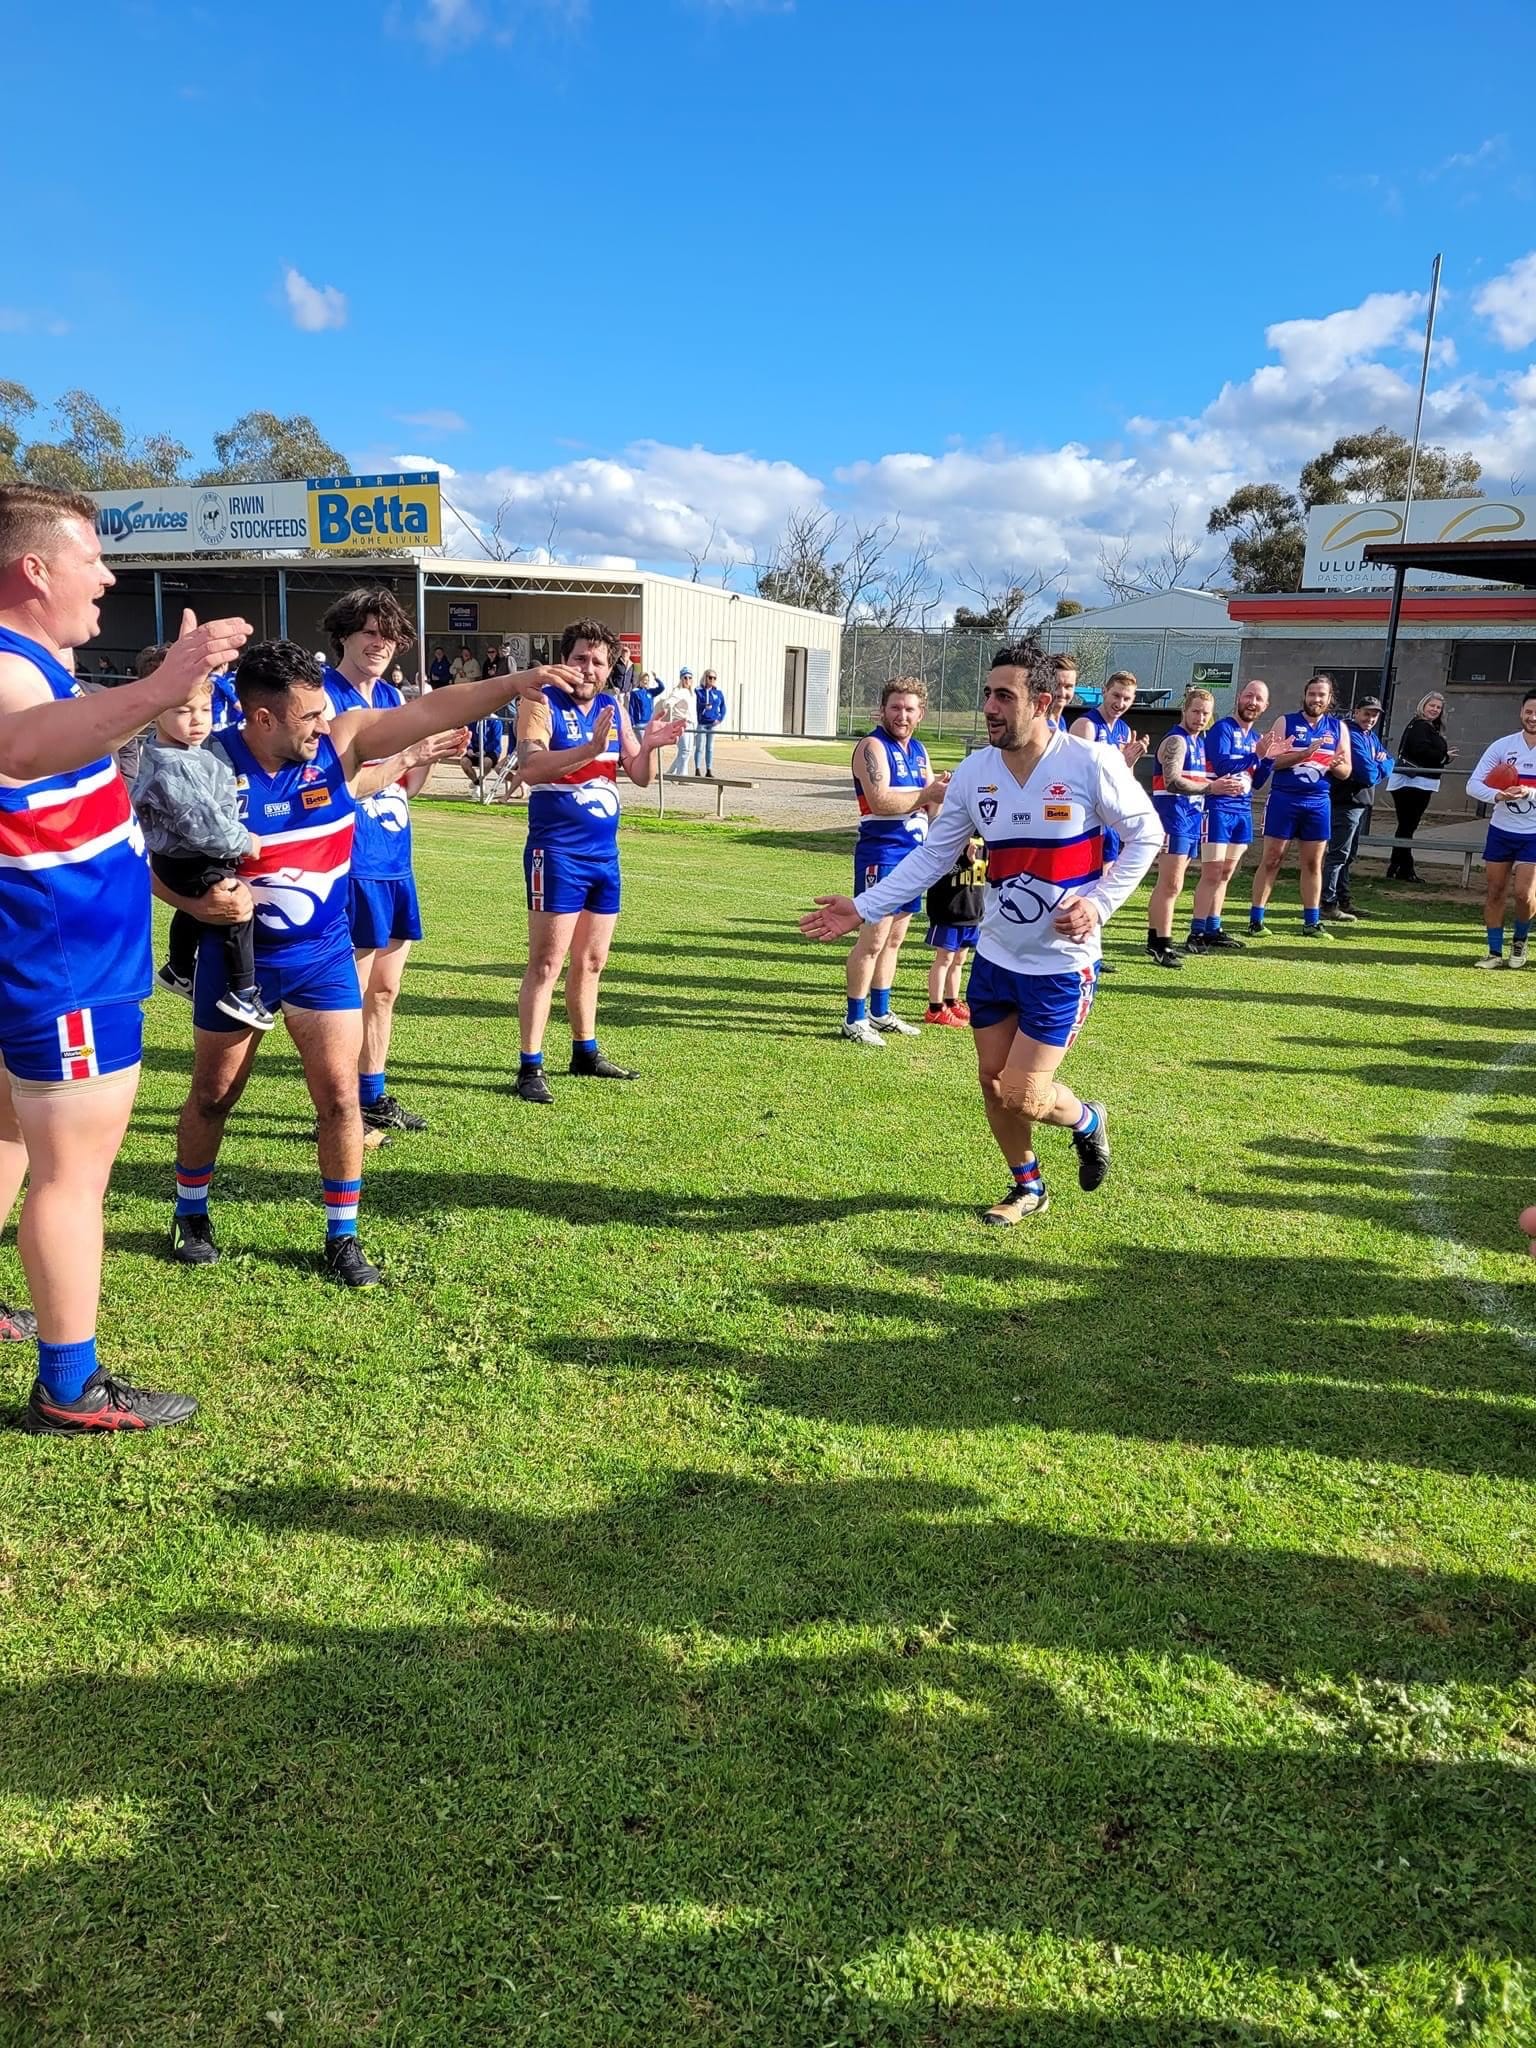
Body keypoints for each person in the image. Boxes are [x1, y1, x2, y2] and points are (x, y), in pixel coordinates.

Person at [0, 481, 252, 1433]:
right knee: (74, 1176)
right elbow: (21, 747)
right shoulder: (8, 669)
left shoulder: (34, 661)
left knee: (14, 1139)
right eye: (91, 559)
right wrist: (156, 690)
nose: (106, 576)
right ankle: (70, 1387)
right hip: (65, 963)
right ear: (34, 569)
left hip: (54, 953)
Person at [166, 639, 528, 1284]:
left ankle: (343, 1236)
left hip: (324, 957)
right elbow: (141, 855)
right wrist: (194, 905)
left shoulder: (340, 742)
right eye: (306, 716)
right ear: (262, 718)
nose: (320, 725)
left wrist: (520, 681)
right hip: (239, 961)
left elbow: (439, 706)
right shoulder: (208, 765)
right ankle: (191, 1209)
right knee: (215, 1096)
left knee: (339, 1100)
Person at [801, 644, 1160, 1224]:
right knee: (994, 1085)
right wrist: (863, 907)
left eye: (1004, 696)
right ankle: (1028, 1187)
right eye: (987, 694)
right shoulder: (975, 772)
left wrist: (1098, 904)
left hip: (1061, 966)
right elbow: (930, 858)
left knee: (1024, 1092)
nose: (989, 707)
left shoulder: (1090, 762)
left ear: (1042, 703)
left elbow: (1147, 835)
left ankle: (1089, 1120)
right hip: (995, 957)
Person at [512, 619, 683, 1104]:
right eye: (581, 658)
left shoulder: (613, 705)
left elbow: (640, 775)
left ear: (611, 669)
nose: (589, 669)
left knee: (592, 959)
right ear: (565, 659)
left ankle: (585, 1051)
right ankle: (530, 1065)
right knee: (546, 962)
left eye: (599, 661)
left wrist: (650, 745)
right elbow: (529, 767)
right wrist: (588, 749)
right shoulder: (540, 700)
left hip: (603, 856)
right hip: (558, 852)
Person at [321, 587, 440, 1138]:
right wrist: (409, 755)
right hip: (347, 861)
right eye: (368, 631)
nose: (378, 643)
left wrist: (431, 753)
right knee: (346, 995)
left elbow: (407, 787)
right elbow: (333, 787)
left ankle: (372, 1096)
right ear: (344, 634)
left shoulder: (396, 699)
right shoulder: (322, 697)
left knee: (385, 990)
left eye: (387, 634)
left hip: (394, 859)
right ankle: (338, 1110)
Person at [132, 678, 273, 1031]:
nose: (197, 720)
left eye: (205, 710)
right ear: (156, 713)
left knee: (193, 912)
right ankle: (243, 990)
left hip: (180, 855)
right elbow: (204, 827)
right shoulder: (174, 765)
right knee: (235, 908)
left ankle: (179, 967)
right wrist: (245, 841)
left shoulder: (181, 748)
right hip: (189, 857)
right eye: (183, 711)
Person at [841, 676, 949, 1046]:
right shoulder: (872, 746)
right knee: (872, 939)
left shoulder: (919, 750)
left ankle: (881, 1011)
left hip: (914, 856)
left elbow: (934, 803)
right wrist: (928, 793)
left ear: (921, 714)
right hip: (882, 854)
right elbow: (881, 800)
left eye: (909, 709)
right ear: (882, 709)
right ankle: (854, 1017)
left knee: (895, 939)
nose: (902, 715)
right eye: (895, 707)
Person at [1248, 673, 1351, 940]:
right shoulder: (1286, 722)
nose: (1316, 699)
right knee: (1272, 859)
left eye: (1321, 695)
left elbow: (1346, 771)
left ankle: (1311, 922)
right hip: (1285, 799)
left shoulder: (1338, 728)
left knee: (1313, 863)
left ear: (1329, 699)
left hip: (1318, 802)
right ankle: (1256, 920)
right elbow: (1271, 763)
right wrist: (1304, 755)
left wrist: (1338, 767)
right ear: (1304, 695)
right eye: (1312, 694)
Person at [1070, 670, 1149, 975]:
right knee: (1085, 882)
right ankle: (1078, 947)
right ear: (1104, 692)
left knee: (1104, 885)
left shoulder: (1125, 730)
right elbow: (1075, 774)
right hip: (1086, 821)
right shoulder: (1087, 726)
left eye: (1127, 698)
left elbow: (1122, 782)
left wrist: (1127, 762)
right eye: (1116, 695)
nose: (1120, 703)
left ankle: (1092, 948)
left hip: (1110, 823)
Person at [1189, 678, 1271, 952]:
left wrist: (1269, 758)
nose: (1252, 702)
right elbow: (1223, 764)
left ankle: (1214, 928)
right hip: (1218, 808)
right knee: (1211, 872)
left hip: (1242, 810)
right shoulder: (1222, 728)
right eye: (1249, 696)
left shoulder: (1256, 738)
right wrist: (1256, 756)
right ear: (1239, 697)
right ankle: (1196, 931)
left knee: (1225, 874)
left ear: (1265, 705)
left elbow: (1257, 781)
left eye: (1258, 699)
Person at [1464, 691, 1536, 969]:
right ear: (1521, 712)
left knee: (1524, 894)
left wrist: (1529, 793)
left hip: (1532, 834)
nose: (1533, 717)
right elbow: (1473, 785)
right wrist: (1498, 795)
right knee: (1495, 891)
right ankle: (1494, 952)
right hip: (1502, 829)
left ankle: (1520, 940)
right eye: (1529, 711)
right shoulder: (1503, 746)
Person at [1146, 685, 1213, 968]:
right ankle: (1162, 943)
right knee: (1170, 884)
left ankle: (1156, 941)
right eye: (1195, 711)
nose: (1199, 717)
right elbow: (1172, 780)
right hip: (1173, 817)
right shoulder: (1177, 741)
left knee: (1175, 883)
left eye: (1205, 713)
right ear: (1184, 710)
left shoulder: (1198, 741)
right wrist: (1212, 787)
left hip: (1190, 818)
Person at [1321, 696, 1391, 923]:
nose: (1370, 719)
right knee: (1338, 854)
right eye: (1367, 713)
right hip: (1346, 802)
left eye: (1375, 715)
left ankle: (1344, 900)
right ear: (1356, 712)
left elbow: (1390, 760)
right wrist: (1379, 764)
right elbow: (1368, 774)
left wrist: (1380, 764)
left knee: (1348, 855)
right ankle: (1328, 903)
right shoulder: (1350, 733)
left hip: (1360, 802)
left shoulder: (1369, 736)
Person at [1386, 692, 1455, 882]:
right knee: (1408, 825)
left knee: (1406, 825)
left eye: (1438, 707)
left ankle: (1397, 865)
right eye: (1431, 705)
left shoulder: (1423, 726)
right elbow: (1421, 750)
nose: (1434, 710)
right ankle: (1404, 868)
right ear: (1423, 705)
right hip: (1414, 781)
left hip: (1414, 780)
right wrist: (1444, 757)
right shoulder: (1421, 726)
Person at [923, 832, 985, 1025]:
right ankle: (935, 1008)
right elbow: (939, 874)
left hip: (971, 913)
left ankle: (951, 1002)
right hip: (948, 913)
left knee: (959, 960)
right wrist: (966, 860)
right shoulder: (948, 842)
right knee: (945, 958)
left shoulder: (984, 844)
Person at [657, 671, 695, 778]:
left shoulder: (691, 693)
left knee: (687, 751)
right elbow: (668, 702)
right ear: (681, 679)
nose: (687, 680)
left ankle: (671, 773)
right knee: (685, 750)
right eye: (685, 678)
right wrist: (668, 706)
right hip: (681, 722)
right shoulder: (679, 691)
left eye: (689, 678)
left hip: (690, 723)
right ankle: (682, 776)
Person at [694, 667, 726, 777]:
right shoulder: (699, 691)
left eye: (714, 678)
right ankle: (697, 769)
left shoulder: (718, 693)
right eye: (710, 677)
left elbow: (723, 708)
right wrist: (704, 706)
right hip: (702, 723)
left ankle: (709, 769)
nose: (712, 680)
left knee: (710, 747)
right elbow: (698, 703)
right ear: (705, 678)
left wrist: (720, 719)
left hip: (712, 723)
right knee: (700, 746)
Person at [462, 711, 505, 792]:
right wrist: (470, 748)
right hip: (475, 750)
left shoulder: (495, 721)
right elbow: (468, 735)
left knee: (487, 762)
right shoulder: (472, 719)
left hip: (491, 751)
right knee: (464, 762)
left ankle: (481, 780)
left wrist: (485, 751)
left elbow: (496, 740)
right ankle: (477, 782)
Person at [1046, 653, 1079, 732]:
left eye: (1068, 687)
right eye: (1056, 685)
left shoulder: (1061, 721)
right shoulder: (1038, 723)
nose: (1062, 693)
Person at [627, 669, 656, 735]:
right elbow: (631, 708)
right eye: (645, 680)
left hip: (648, 722)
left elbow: (651, 707)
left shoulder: (649, 693)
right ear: (640, 681)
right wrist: (632, 723)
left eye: (648, 680)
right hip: (639, 723)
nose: (646, 682)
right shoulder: (635, 692)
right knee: (642, 743)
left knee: (648, 744)